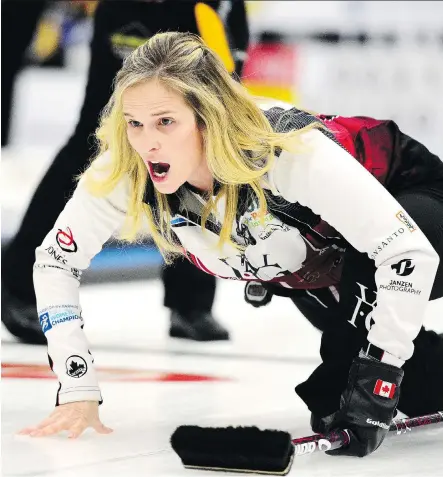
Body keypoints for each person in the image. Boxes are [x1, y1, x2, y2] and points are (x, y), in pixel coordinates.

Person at [19, 32, 443, 458]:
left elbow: (406, 251)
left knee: (345, 391)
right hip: (320, 265)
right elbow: (55, 263)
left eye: (166, 121)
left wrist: (380, 374)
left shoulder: (285, 150)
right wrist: (77, 385)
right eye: (135, 123)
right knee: (419, 389)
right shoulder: (128, 165)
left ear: (208, 117)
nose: (148, 143)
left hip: (411, 202)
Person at [2, 0, 249, 344]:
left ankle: (191, 302)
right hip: (132, 8)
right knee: (96, 134)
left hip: (203, 10)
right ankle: (19, 286)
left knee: (199, 137)